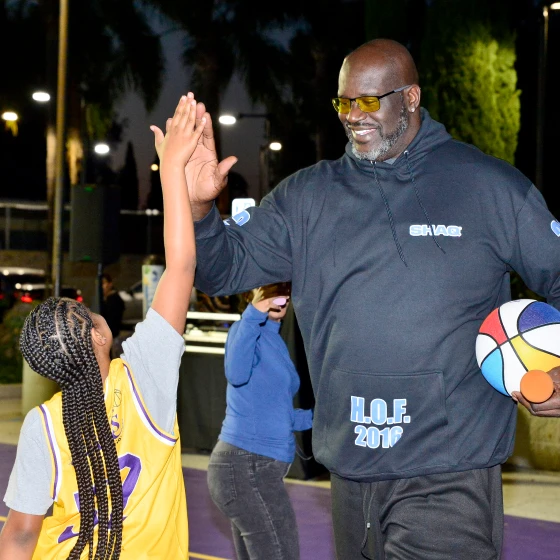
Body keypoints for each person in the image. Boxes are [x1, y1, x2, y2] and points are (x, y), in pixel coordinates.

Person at [185, 38, 560, 559]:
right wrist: (199, 211)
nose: (353, 116)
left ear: (410, 97)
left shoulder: (487, 187)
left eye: (369, 101)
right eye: (343, 103)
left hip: (447, 472)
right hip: (350, 474)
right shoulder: (306, 197)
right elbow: (219, 268)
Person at [0, 93, 205, 560]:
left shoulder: (45, 424)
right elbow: (181, 268)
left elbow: (19, 535)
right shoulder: (142, 380)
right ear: (98, 334)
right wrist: (171, 169)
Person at [207, 283, 313, 560]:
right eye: (273, 291)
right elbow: (236, 372)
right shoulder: (245, 330)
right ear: (252, 294)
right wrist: (255, 311)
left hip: (248, 469)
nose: (283, 298)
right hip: (245, 467)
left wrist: (323, 417)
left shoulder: (271, 337)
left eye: (286, 293)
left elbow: (276, 412)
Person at [100, 273, 125, 340]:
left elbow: (111, 320)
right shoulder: (103, 298)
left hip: (111, 335)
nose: (102, 287)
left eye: (103, 283)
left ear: (110, 284)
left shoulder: (114, 299)